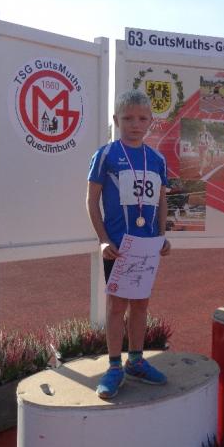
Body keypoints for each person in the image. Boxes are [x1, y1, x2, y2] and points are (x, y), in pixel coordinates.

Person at [87, 89, 171, 400]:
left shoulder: (157, 159)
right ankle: (113, 367)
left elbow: (162, 201)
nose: (135, 124)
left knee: (141, 304)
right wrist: (103, 240)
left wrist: (161, 235)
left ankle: (135, 361)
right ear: (116, 120)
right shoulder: (106, 155)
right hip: (118, 247)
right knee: (116, 306)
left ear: (151, 121)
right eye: (128, 118)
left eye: (142, 119)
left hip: (146, 247)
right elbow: (91, 201)